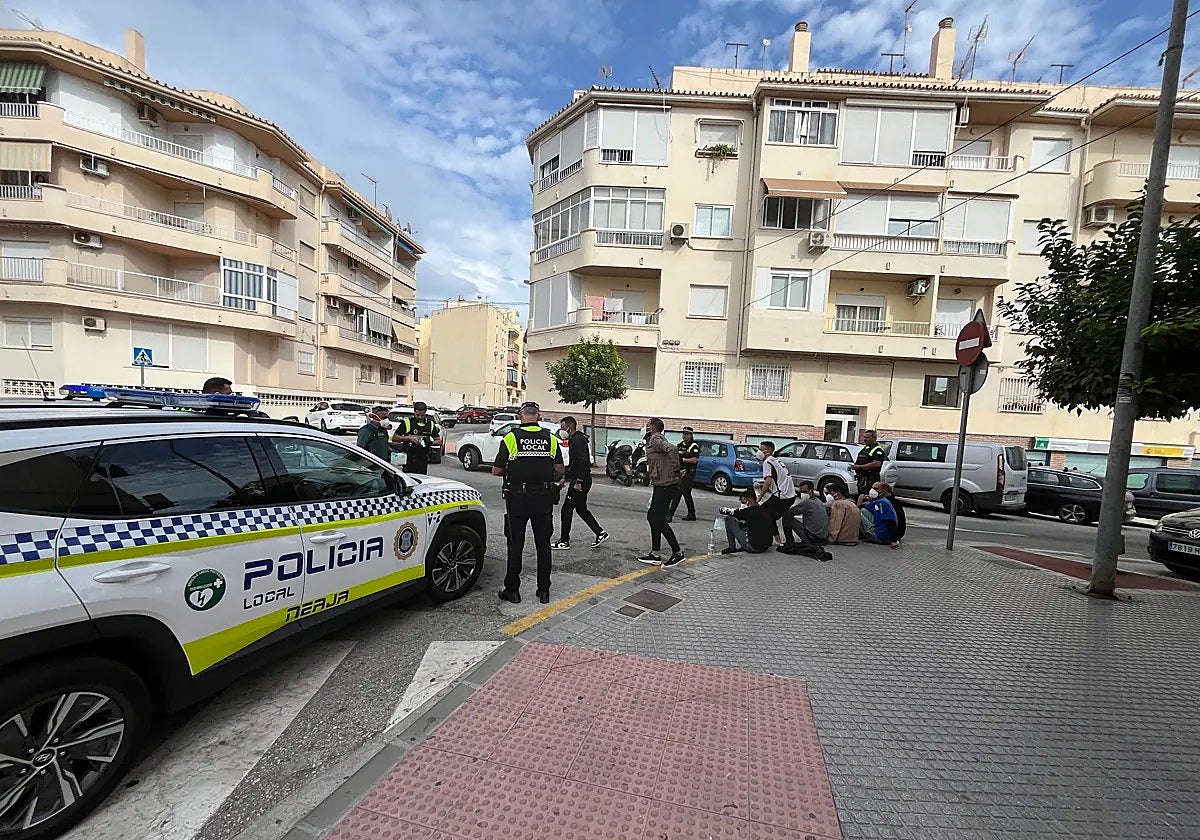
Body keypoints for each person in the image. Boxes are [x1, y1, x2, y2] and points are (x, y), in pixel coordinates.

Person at [493, 402, 564, 604]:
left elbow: (496, 470)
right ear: (539, 417)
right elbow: (559, 469)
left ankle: (512, 590)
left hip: (518, 499)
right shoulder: (551, 439)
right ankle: (543, 591)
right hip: (543, 499)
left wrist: (518, 471)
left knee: (515, 544)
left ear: (521, 416)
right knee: (543, 545)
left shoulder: (511, 437)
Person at [551, 416, 610, 550]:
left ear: (569, 427)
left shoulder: (577, 440)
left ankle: (564, 541)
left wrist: (579, 481)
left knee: (566, 510)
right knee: (581, 509)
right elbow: (574, 463)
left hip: (581, 480)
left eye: (562, 427)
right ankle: (600, 533)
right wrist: (564, 478)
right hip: (579, 478)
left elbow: (583, 462)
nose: (561, 430)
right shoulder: (576, 439)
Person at [639, 417, 684, 567]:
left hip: (666, 485)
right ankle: (655, 553)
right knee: (653, 517)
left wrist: (675, 469)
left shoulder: (655, 439)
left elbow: (672, 449)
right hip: (662, 484)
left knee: (658, 519)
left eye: (647, 425)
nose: (645, 428)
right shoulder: (655, 439)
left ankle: (677, 553)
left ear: (653, 427)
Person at [756, 441, 796, 546]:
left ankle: (777, 540)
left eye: (761, 449)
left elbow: (768, 481)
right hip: (789, 495)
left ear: (768, 451)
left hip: (782, 496)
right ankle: (781, 540)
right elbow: (777, 478)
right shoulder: (776, 461)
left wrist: (759, 497)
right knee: (771, 515)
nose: (758, 452)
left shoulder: (767, 462)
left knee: (765, 514)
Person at [779, 480, 831, 558]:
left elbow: (790, 512)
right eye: (801, 492)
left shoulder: (807, 503)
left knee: (786, 516)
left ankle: (789, 541)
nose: (803, 494)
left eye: (804, 492)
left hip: (813, 539)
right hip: (823, 537)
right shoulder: (818, 501)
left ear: (810, 490)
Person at [392, 401, 442, 475]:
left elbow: (438, 441)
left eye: (422, 415)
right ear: (414, 412)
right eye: (417, 415)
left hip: (423, 458)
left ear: (425, 412)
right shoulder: (407, 422)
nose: (420, 417)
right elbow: (395, 438)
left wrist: (429, 442)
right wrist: (409, 438)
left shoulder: (430, 424)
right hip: (409, 458)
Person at [668, 426, 701, 522]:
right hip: (680, 471)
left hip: (689, 473)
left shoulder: (694, 446)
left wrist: (683, 459)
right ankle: (692, 514)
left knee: (677, 492)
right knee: (686, 494)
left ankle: (669, 515)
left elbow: (694, 460)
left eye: (686, 434)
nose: (684, 436)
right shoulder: (680, 445)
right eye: (683, 434)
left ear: (691, 435)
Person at [859, 481, 902, 548]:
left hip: (881, 536)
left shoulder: (882, 503)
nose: (872, 490)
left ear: (883, 492)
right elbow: (865, 506)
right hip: (879, 528)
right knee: (863, 511)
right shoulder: (880, 501)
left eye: (876, 489)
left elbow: (891, 521)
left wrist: (893, 541)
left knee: (858, 513)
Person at [851, 430, 889, 499]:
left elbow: (876, 464)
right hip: (862, 479)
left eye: (867, 437)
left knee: (869, 497)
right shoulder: (865, 449)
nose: (865, 439)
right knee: (861, 496)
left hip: (871, 479)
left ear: (874, 438)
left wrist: (860, 467)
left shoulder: (877, 450)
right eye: (864, 437)